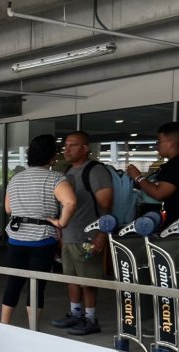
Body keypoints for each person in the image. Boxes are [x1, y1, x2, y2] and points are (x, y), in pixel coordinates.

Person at [1, 134, 77, 327]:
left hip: (16, 239)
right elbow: (70, 202)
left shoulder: (16, 179)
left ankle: (4, 325)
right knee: (36, 286)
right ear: (52, 157)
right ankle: (33, 330)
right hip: (42, 240)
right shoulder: (56, 178)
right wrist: (61, 223)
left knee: (13, 283)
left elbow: (8, 209)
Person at [51, 131, 112, 336]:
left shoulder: (95, 170)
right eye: (65, 145)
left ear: (85, 148)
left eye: (73, 145)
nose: (67, 149)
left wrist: (101, 235)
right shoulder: (68, 171)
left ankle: (90, 318)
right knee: (71, 277)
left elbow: (106, 205)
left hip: (88, 236)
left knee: (88, 279)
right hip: (69, 235)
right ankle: (75, 313)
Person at [127, 122, 179, 226]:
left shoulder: (176, 165)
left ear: (171, 143)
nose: (157, 146)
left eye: (159, 142)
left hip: (172, 224)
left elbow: (159, 193)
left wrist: (138, 177)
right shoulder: (172, 164)